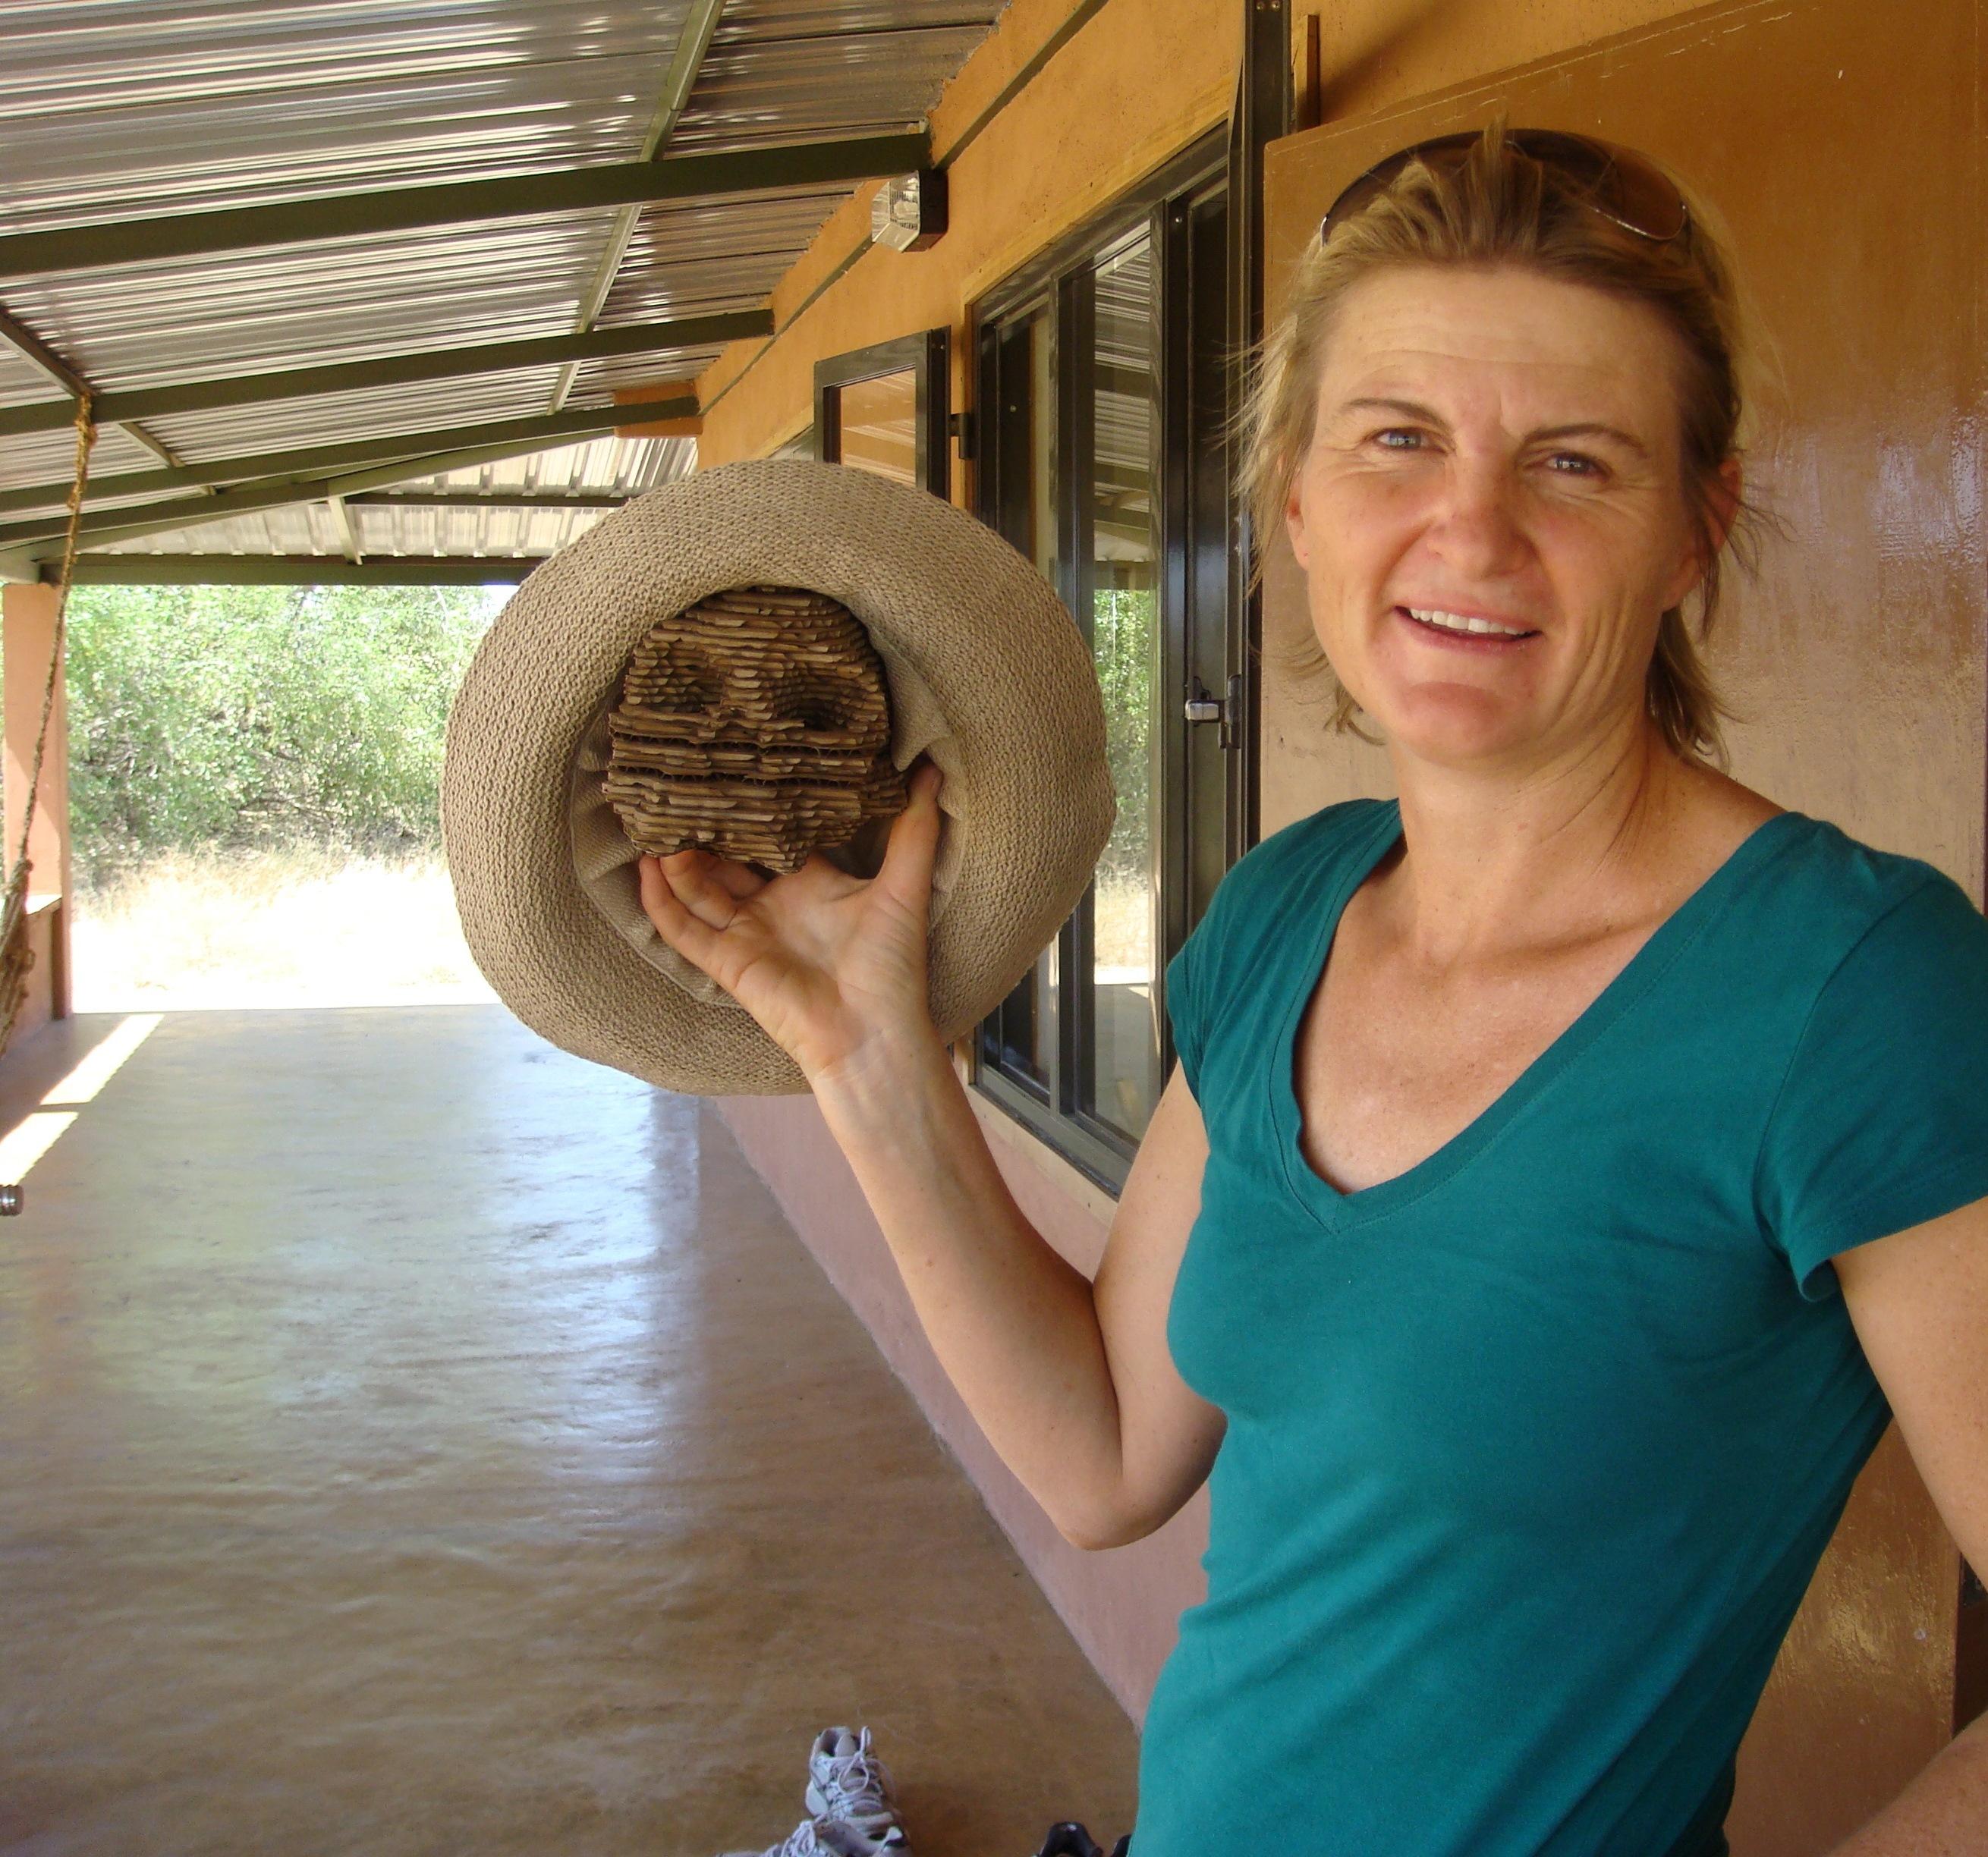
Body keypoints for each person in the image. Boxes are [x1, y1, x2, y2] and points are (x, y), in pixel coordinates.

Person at [635, 127, 1988, 1856]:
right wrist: (868, 1051)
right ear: (1289, 501)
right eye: (1395, 441)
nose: (1470, 527)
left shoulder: (1848, 990)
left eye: (1573, 463)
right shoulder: (1287, 908)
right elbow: (1109, 1453)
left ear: (1690, 531)